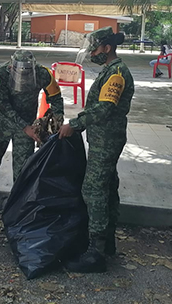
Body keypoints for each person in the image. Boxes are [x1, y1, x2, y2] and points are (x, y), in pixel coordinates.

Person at [59, 27, 135, 273]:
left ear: (107, 48)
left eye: (95, 48)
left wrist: (75, 124)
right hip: (105, 139)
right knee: (108, 186)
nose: (92, 53)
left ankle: (95, 253)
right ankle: (108, 243)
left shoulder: (116, 74)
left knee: (93, 190)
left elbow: (104, 109)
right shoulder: (111, 70)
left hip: (106, 141)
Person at [0, 50, 64, 220]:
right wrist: (25, 127)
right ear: (11, 67)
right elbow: (3, 106)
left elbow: (56, 97)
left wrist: (57, 120)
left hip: (27, 129)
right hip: (2, 125)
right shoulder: (0, 74)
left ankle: (18, 208)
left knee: (22, 169)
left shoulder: (43, 74)